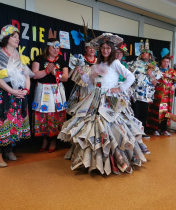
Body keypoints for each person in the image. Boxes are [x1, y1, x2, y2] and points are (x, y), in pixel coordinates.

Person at [58, 33, 150, 175]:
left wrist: (119, 88)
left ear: (112, 49)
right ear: (100, 49)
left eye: (108, 48)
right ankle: (92, 161)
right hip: (95, 99)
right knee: (93, 128)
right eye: (103, 48)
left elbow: (130, 76)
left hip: (109, 100)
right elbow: (89, 80)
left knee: (111, 127)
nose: (105, 50)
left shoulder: (115, 63)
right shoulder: (97, 63)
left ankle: (113, 160)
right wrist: (81, 72)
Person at [0, 25, 33, 167]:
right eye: (14, 36)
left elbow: (27, 75)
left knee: (15, 121)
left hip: (18, 94)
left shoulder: (19, 55)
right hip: (4, 94)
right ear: (6, 38)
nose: (17, 39)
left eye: (18, 37)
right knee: (3, 121)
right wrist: (12, 91)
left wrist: (26, 89)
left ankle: (9, 148)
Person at [31, 38, 68, 153]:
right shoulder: (39, 59)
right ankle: (44, 140)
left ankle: (53, 141)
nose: (56, 50)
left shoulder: (61, 61)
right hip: (43, 91)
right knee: (43, 115)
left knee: (56, 114)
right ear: (48, 47)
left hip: (56, 91)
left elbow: (65, 78)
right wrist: (46, 71)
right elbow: (34, 75)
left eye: (58, 47)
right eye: (54, 47)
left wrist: (55, 73)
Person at [127, 39, 161, 139]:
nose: (144, 54)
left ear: (150, 55)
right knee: (135, 112)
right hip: (135, 93)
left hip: (146, 95)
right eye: (143, 53)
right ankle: (133, 132)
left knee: (144, 113)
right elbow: (126, 74)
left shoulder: (154, 67)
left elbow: (155, 83)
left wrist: (151, 75)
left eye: (146, 53)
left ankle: (142, 131)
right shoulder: (134, 64)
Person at [147, 55, 176, 136]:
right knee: (155, 110)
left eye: (167, 62)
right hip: (157, 94)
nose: (166, 63)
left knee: (166, 111)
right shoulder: (156, 70)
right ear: (161, 62)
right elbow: (150, 80)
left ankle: (164, 129)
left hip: (168, 95)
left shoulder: (172, 71)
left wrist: (174, 86)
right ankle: (154, 129)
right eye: (164, 61)